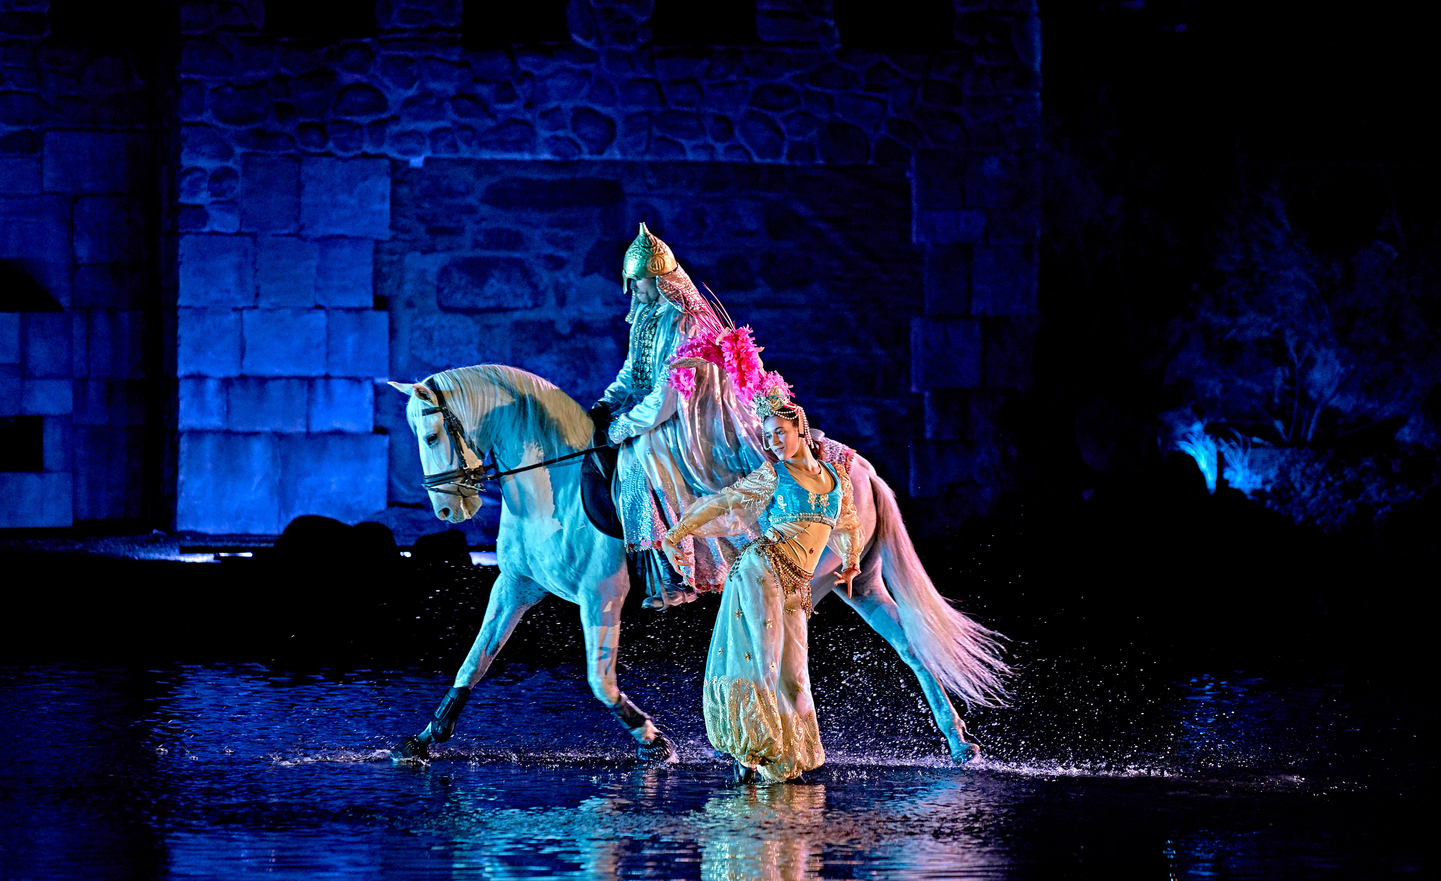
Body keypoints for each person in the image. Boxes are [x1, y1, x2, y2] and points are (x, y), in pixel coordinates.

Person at [662, 387, 861, 783]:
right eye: (767, 436)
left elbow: (848, 524)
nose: (773, 443)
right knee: (762, 660)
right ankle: (750, 754)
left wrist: (851, 562)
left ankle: (785, 760)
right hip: (763, 568)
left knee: (794, 671)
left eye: (779, 433)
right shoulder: (773, 475)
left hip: (796, 584)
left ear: (800, 428)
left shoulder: (837, 478)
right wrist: (677, 532)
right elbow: (724, 501)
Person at [589, 223, 766, 610]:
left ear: (659, 280)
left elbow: (666, 394)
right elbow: (633, 372)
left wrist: (623, 426)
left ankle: (676, 574)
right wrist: (605, 404)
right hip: (651, 410)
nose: (633, 290)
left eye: (638, 282)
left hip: (687, 416)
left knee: (637, 460)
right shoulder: (646, 313)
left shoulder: (684, 320)